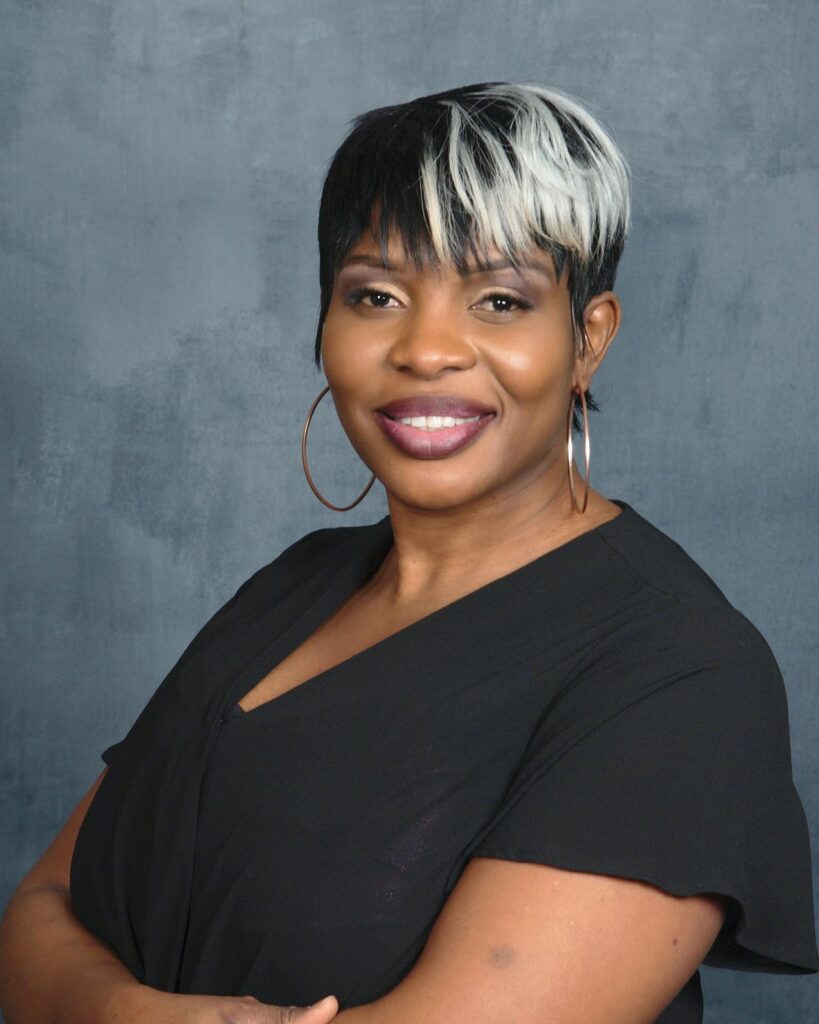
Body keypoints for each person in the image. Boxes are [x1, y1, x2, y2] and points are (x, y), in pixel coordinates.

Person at [0, 81, 816, 1024]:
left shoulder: (681, 671)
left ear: (587, 339)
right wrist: (137, 1015)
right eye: (375, 295)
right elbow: (37, 914)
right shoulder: (294, 585)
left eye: (500, 300)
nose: (426, 349)